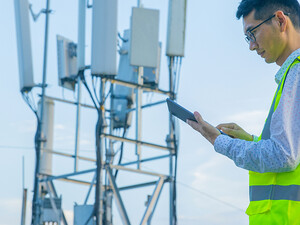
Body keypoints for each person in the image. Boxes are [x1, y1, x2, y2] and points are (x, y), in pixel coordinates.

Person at [187, 0, 300, 224]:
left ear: (280, 20)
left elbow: (283, 155)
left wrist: (217, 140)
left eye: (252, 33)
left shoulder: (296, 74)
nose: (251, 45)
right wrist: (250, 140)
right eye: (247, 38)